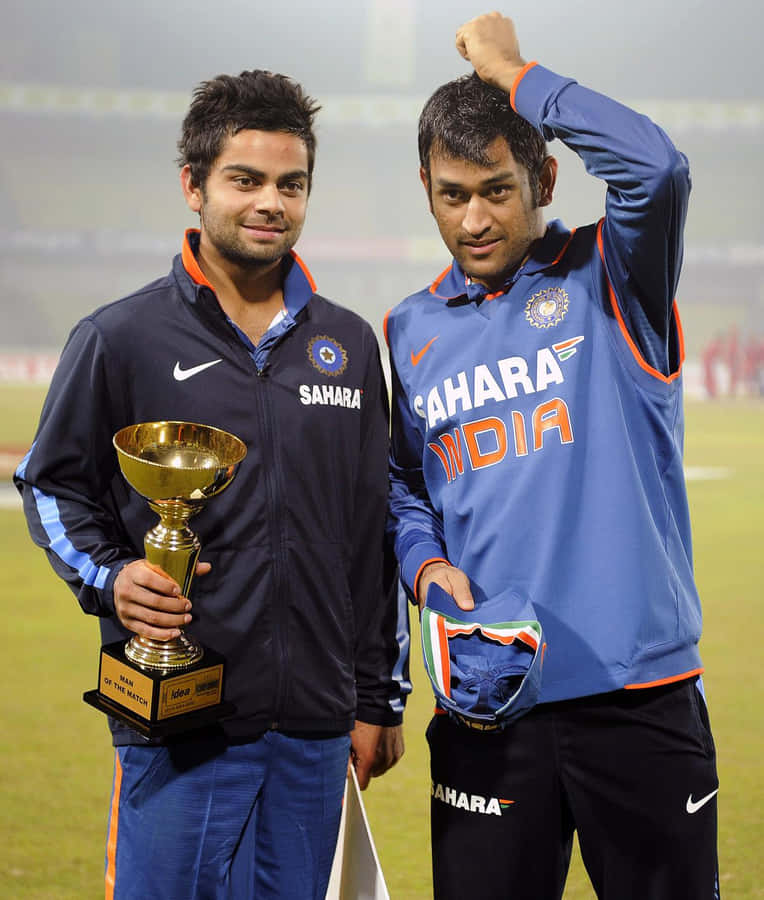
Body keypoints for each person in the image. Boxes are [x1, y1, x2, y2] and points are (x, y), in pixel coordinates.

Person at [15, 69, 406, 900]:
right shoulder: (121, 337)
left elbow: (372, 534)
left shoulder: (346, 345)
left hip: (314, 729)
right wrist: (111, 578)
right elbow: (49, 486)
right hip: (178, 725)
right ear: (193, 186)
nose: (271, 202)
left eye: (291, 184)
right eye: (246, 180)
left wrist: (378, 699)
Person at [385, 12, 719, 900]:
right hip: (485, 704)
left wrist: (516, 74)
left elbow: (656, 168)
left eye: (498, 190)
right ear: (425, 187)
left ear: (545, 176)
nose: (475, 219)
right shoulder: (410, 329)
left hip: (636, 698)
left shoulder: (613, 273)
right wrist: (424, 567)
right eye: (452, 194)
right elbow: (405, 485)